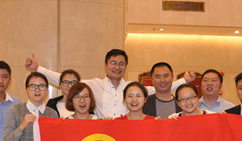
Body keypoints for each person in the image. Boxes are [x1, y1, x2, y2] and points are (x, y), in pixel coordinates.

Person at [25, 49, 196, 118]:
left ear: (126, 67)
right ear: (105, 65)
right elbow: (66, 81)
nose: (117, 67)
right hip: (102, 134)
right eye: (113, 63)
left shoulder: (132, 89)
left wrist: (184, 81)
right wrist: (38, 69)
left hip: (126, 133)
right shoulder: (94, 84)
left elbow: (161, 87)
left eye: (121, 64)